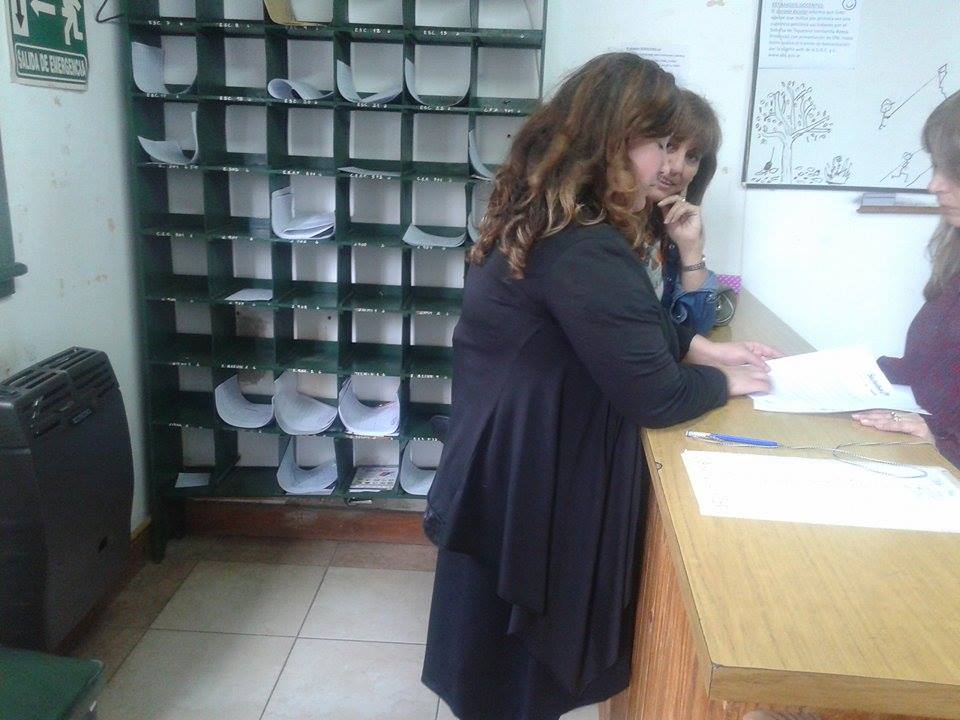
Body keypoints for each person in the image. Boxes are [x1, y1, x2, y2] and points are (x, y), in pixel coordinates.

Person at [420, 53, 779, 720]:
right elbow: (657, 397)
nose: (669, 164)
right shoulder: (586, 246)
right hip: (529, 478)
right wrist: (723, 382)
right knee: (513, 680)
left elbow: (622, 324)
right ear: (614, 142)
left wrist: (700, 350)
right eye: (660, 143)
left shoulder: (560, 222)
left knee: (500, 670)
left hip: (509, 459)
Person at [853, 91, 960, 469]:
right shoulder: (954, 265)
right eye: (936, 166)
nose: (934, 185)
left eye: (953, 170)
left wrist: (942, 444)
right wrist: (851, 375)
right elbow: (934, 370)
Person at [641, 89, 723, 335]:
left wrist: (691, 249)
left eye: (692, 157)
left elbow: (697, 327)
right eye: (669, 146)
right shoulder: (598, 227)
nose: (676, 166)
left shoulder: (668, 228)